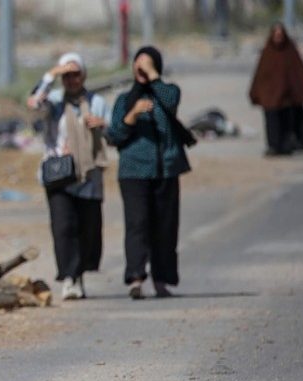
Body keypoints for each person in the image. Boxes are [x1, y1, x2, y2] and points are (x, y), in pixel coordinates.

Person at [106, 46, 191, 299]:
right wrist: (132, 115)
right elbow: (115, 135)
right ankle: (135, 277)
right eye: (138, 63)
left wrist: (154, 78)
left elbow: (171, 102)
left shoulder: (168, 93)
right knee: (137, 225)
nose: (141, 67)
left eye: (147, 63)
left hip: (165, 169)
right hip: (133, 172)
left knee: (165, 226)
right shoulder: (124, 100)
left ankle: (162, 279)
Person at [27, 52, 111, 300]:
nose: (72, 80)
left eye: (76, 74)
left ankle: (80, 273)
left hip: (88, 175)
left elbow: (114, 130)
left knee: (87, 228)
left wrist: (101, 126)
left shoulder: (96, 103)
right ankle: (69, 277)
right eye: (67, 76)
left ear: (84, 75)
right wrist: (50, 75)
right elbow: (33, 103)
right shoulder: (54, 102)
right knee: (63, 227)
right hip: (59, 174)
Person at [249, 22, 303, 156]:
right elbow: (260, 76)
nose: (278, 37)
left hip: (286, 98)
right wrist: (257, 93)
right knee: (272, 122)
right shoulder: (267, 53)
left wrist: (301, 92)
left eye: (280, 34)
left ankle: (286, 146)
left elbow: (300, 74)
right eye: (275, 34)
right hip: (270, 98)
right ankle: (273, 146)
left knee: (288, 122)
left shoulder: (290, 52)